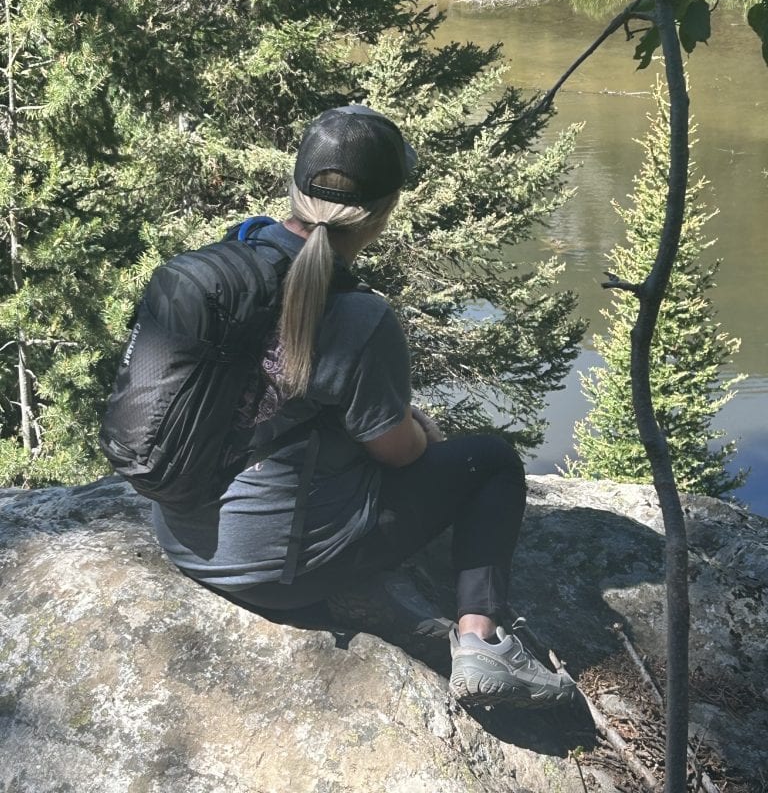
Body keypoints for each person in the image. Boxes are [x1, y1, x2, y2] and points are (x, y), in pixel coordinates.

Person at [151, 104, 575, 709]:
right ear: (384, 212)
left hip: (180, 537)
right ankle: (482, 643)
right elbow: (398, 455)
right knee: (492, 461)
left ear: (294, 188)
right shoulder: (360, 316)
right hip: (274, 576)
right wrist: (421, 427)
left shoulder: (211, 271)